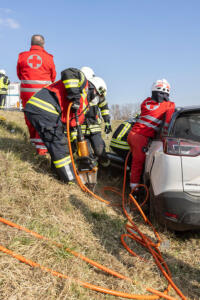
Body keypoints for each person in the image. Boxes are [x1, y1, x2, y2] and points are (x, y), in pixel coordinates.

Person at [24, 67, 106, 184]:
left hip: (45, 112)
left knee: (61, 145)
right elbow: (69, 72)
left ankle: (57, 174)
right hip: (44, 108)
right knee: (59, 146)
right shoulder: (83, 83)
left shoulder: (84, 106)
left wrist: (74, 145)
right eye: (98, 95)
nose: (96, 99)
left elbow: (71, 126)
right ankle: (70, 180)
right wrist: (74, 96)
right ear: (96, 89)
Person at [127, 79, 175, 190]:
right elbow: (167, 124)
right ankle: (134, 192)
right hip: (141, 138)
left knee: (134, 162)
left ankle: (131, 181)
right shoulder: (169, 105)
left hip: (132, 135)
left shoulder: (146, 102)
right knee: (138, 165)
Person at [17, 34, 56, 155]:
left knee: (29, 116)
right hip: (42, 94)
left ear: (31, 43)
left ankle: (33, 141)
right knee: (42, 117)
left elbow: (19, 74)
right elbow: (53, 77)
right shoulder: (49, 58)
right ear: (43, 44)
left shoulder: (22, 56)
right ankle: (41, 148)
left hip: (26, 92)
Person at [70, 66, 111, 167]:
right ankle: (93, 170)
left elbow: (104, 107)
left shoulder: (97, 92)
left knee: (100, 149)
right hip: (81, 130)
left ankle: (107, 168)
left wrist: (107, 122)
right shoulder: (76, 93)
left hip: (94, 127)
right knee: (86, 154)